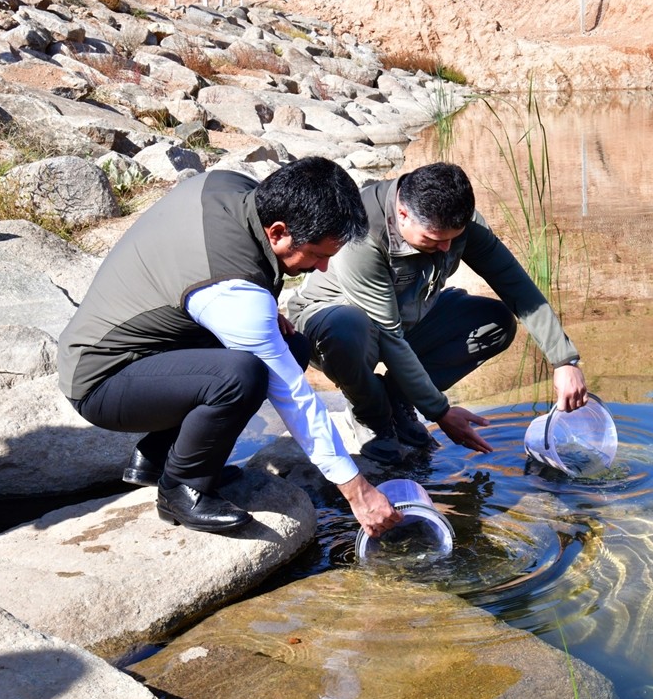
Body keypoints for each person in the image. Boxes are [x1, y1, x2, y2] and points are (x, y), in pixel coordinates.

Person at [57, 157, 402, 537]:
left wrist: (264, 311)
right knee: (242, 376)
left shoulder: (231, 187)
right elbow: (294, 397)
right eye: (319, 255)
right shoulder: (233, 289)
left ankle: (159, 458)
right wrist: (357, 491)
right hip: (102, 381)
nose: (321, 268)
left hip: (144, 351)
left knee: (290, 346)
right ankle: (180, 489)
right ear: (278, 233)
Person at [285, 161, 589, 465]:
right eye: (433, 240)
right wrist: (440, 411)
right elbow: (389, 336)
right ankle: (371, 415)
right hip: (334, 324)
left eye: (452, 239)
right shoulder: (363, 233)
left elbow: (514, 283)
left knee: (495, 323)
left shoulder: (458, 224)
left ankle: (396, 397)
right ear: (402, 213)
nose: (446, 248)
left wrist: (564, 360)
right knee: (348, 328)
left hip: (404, 320)